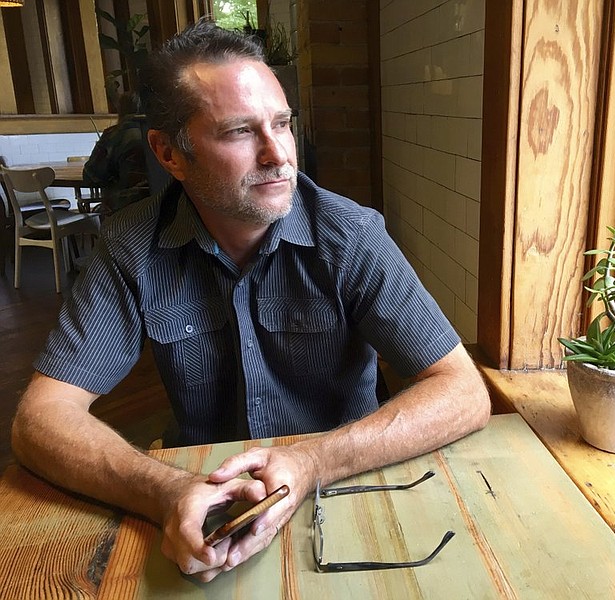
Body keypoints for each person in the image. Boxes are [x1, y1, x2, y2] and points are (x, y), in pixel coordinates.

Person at [11, 20, 490, 582]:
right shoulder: (131, 250)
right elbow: (39, 420)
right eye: (240, 132)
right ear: (170, 153)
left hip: (344, 495)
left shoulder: (351, 236)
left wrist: (311, 462)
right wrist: (165, 491)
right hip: (207, 506)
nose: (278, 154)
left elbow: (463, 391)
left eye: (282, 124)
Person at [83, 90, 150, 214]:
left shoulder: (113, 135)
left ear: (121, 109)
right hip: (164, 204)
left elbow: (91, 176)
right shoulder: (162, 133)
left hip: (124, 207)